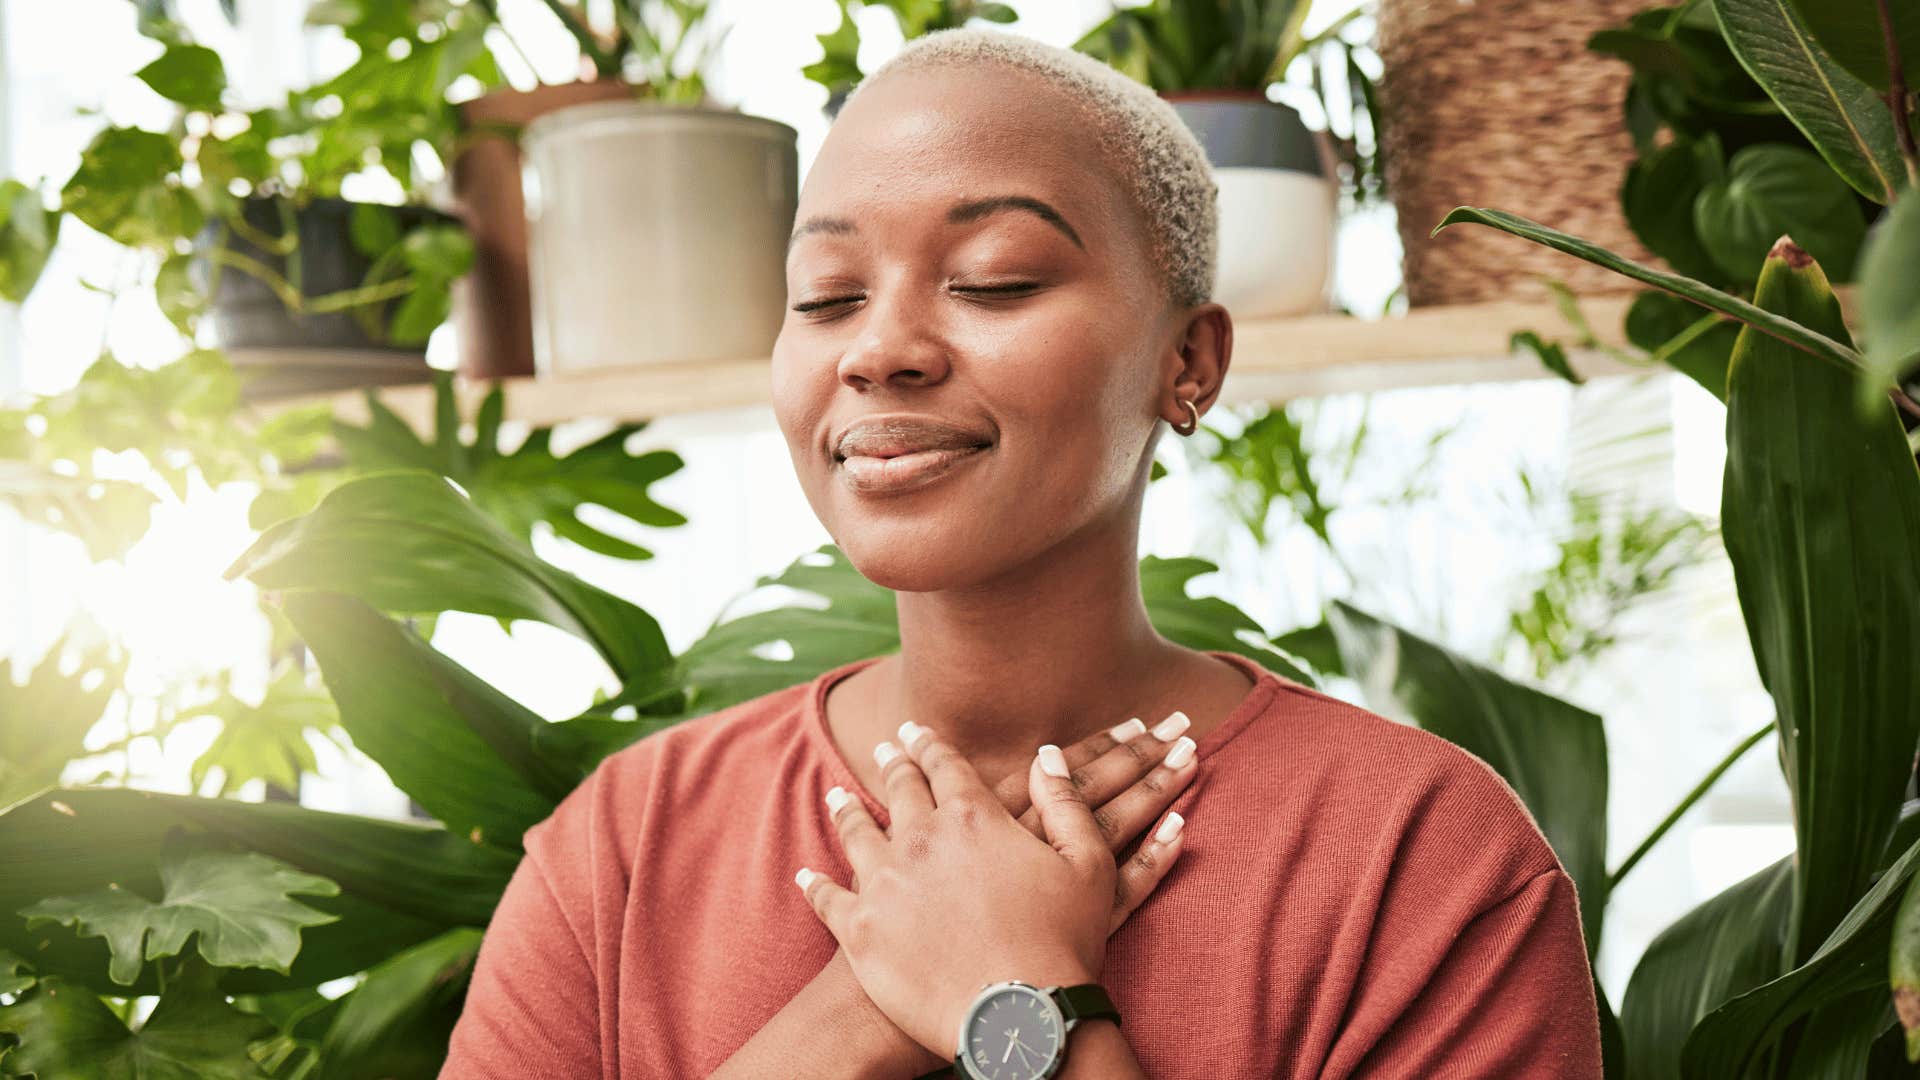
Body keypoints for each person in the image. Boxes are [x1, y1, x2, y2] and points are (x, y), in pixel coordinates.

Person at [437, 26, 1604, 1080]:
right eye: (828, 296)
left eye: (993, 278)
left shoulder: (1419, 860)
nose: (880, 348)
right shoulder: (627, 846)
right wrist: (861, 1007)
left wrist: (1028, 1004)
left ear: (1187, 363)